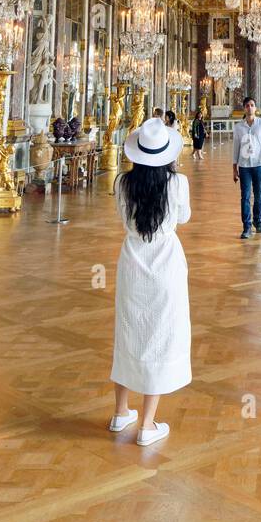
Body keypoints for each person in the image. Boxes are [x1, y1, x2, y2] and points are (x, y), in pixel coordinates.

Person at [110, 116, 190, 448]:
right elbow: (183, 217)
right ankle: (146, 424)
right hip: (166, 265)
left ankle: (119, 413)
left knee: (127, 333)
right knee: (160, 337)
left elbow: (122, 217)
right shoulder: (177, 183)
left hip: (131, 263)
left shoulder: (122, 183)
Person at [232, 96, 261, 239]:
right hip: (244, 166)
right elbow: (235, 148)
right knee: (245, 197)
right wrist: (234, 168)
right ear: (244, 108)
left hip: (259, 165)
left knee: (259, 196)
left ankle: (258, 221)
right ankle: (247, 227)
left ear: (255, 108)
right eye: (247, 105)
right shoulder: (238, 127)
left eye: (252, 105)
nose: (250, 107)